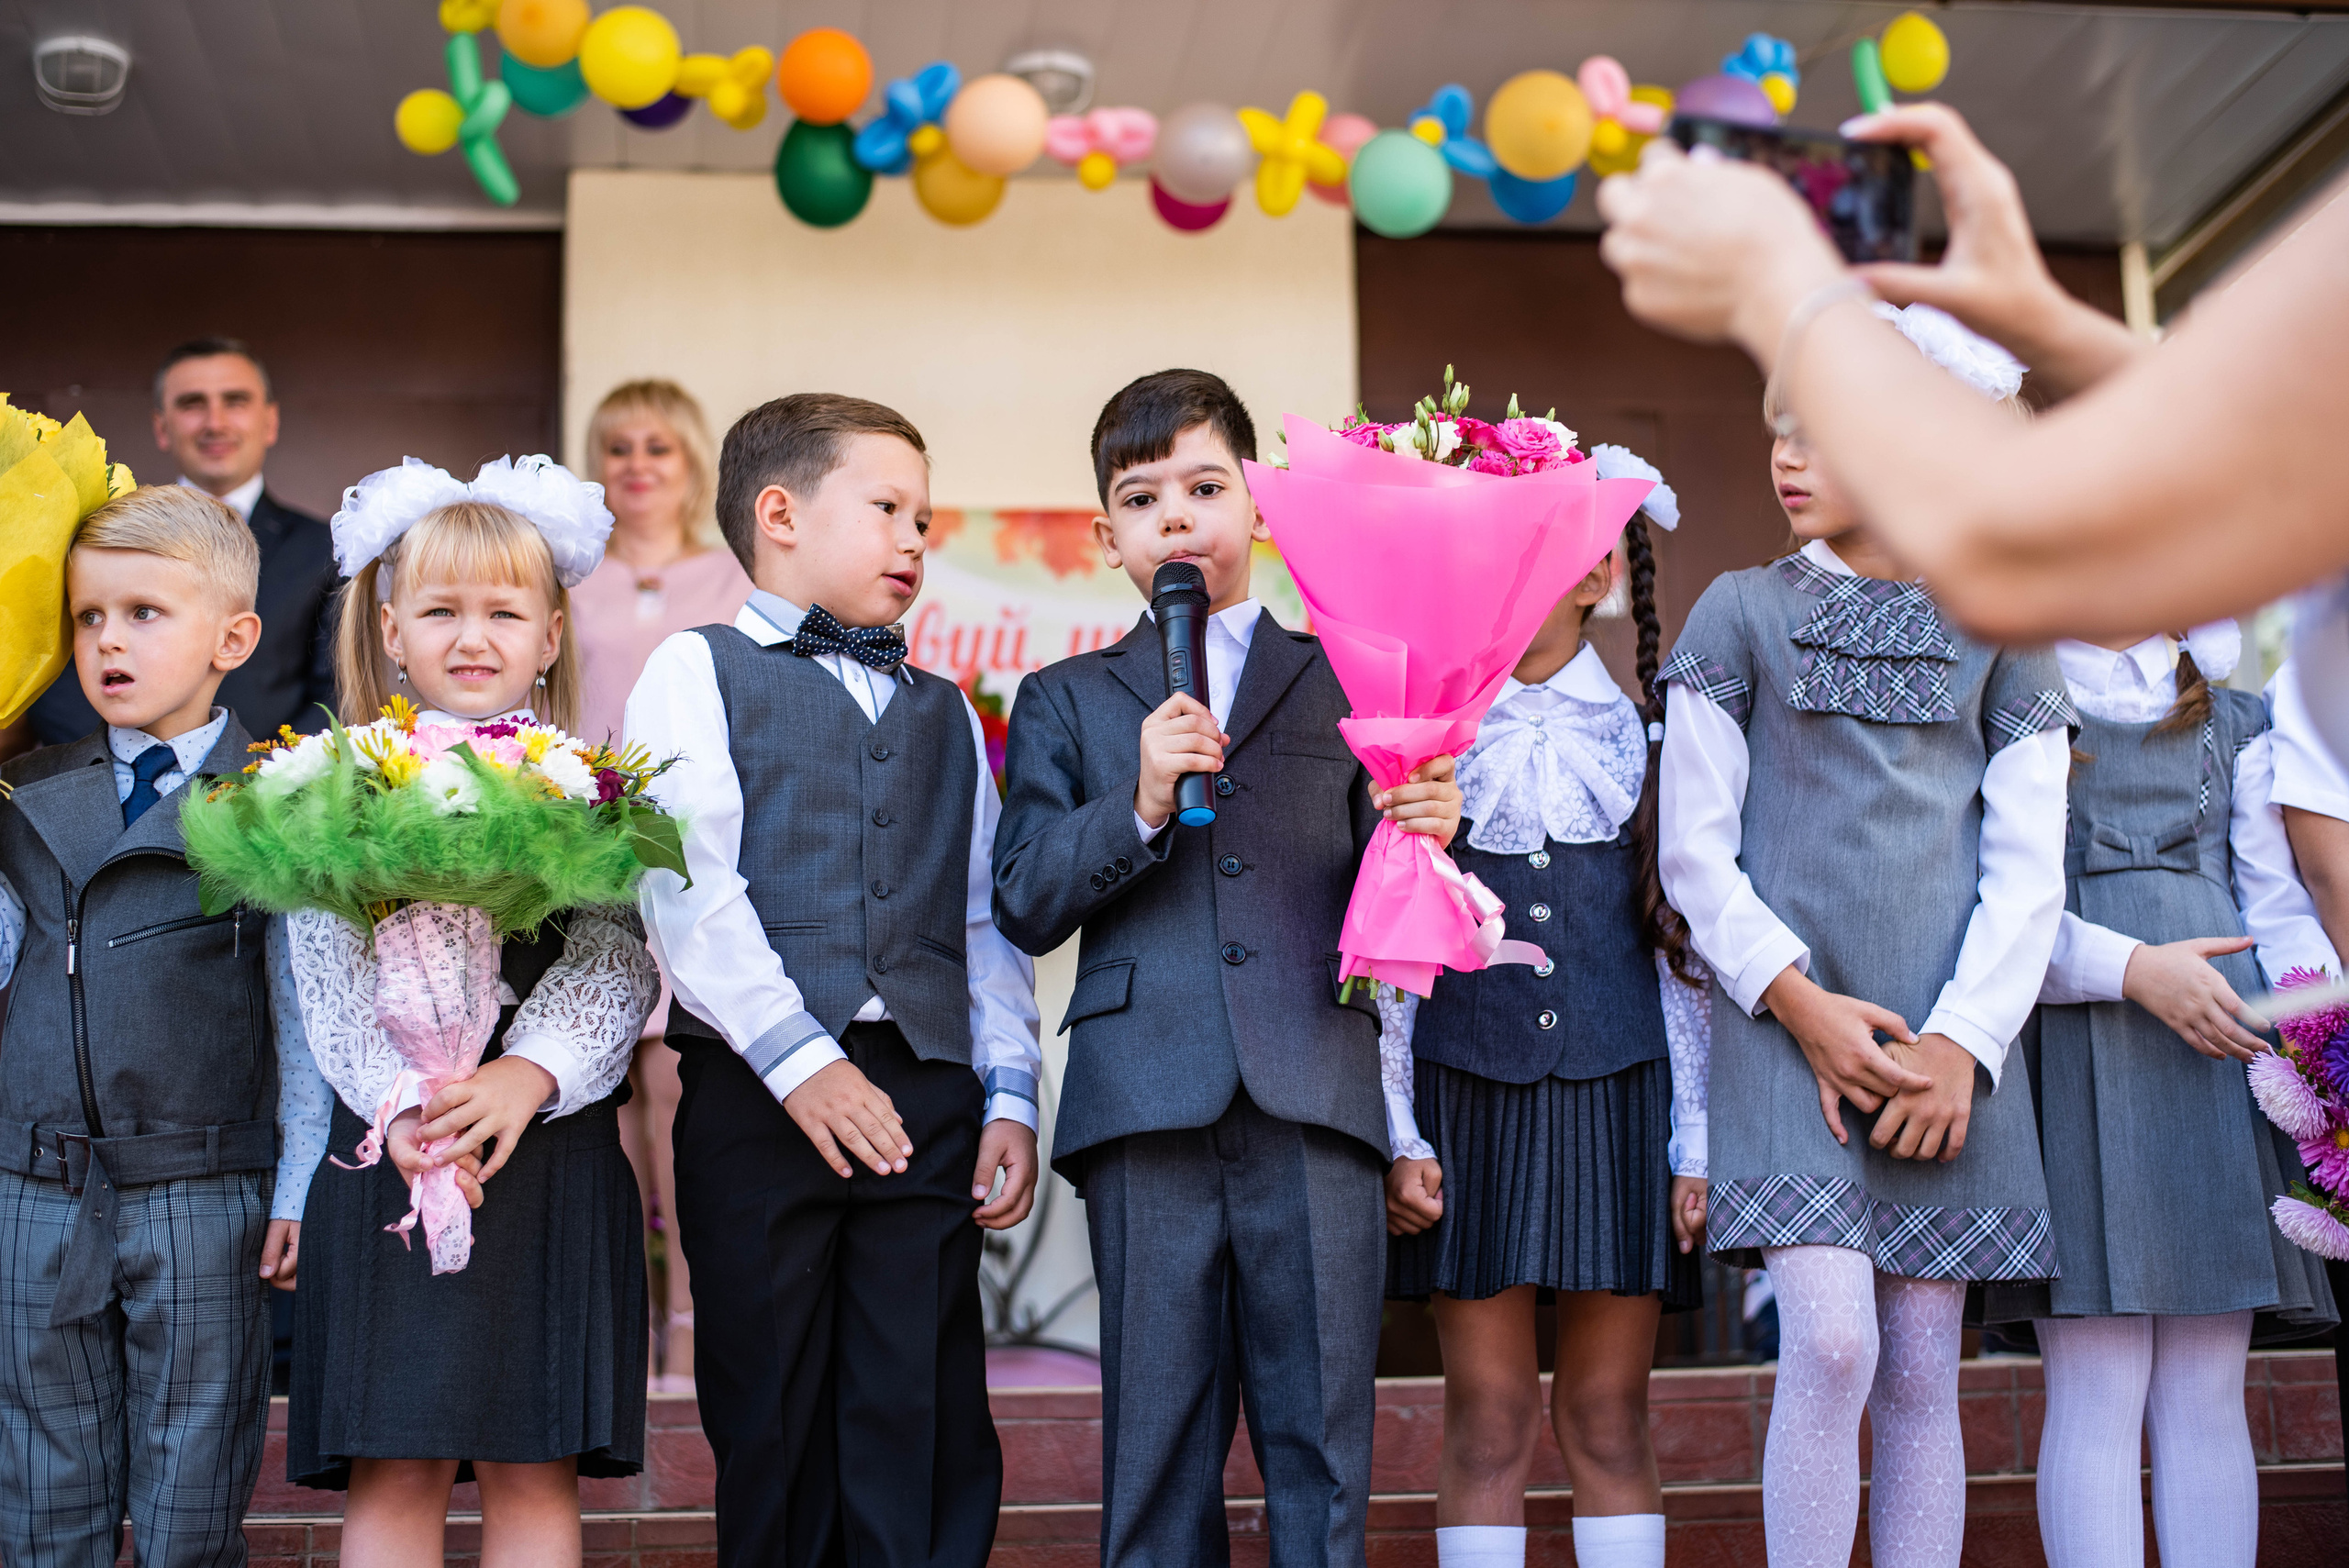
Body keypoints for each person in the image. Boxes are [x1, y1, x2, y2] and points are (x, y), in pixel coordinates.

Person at [991, 370, 1464, 1568]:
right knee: (1155, 1444)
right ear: (1107, 538)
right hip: (1144, 1097)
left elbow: (1390, 907)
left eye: (1206, 487)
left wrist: (1424, 830)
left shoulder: (1354, 674)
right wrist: (1142, 800)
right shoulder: (1065, 699)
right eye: (1143, 499)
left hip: (1314, 1080)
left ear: (1259, 504)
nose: (1179, 518)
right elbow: (1026, 897)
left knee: (1319, 1437)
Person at [1655, 312, 2074, 1566]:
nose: (1788, 456)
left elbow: (2029, 864)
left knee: (1921, 1372)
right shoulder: (1737, 613)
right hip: (1792, 1029)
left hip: (1950, 1054)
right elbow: (1693, 851)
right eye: (1779, 427)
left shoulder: (2006, 619)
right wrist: (1800, 1003)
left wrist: (1964, 1042)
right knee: (1833, 1342)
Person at [627, 394, 1043, 1568]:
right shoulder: (691, 669)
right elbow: (686, 885)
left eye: (925, 515)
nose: (918, 537)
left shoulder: (945, 709)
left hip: (923, 1091)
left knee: (919, 1411)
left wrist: (1008, 1089)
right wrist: (799, 1059)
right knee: (773, 1412)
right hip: (759, 1096)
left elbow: (978, 916)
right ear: (780, 514)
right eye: (888, 508)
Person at [1593, 105, 2349, 672]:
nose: (1789, 455)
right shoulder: (1746, 608)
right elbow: (2225, 434)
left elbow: (2007, 555)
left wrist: (1778, 280)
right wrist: (2037, 313)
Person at [281, 458, 659, 1565]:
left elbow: (615, 957)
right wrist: (405, 1107)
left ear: (550, 634)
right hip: (393, 1149)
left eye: (503, 611)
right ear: (391, 630)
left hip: (546, 1150)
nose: (472, 635)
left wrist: (525, 1072)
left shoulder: (595, 787)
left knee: (531, 1463)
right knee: (396, 1464)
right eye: (441, 610)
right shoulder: (330, 784)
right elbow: (326, 967)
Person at [1377, 450, 1709, 1568]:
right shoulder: (1418, 741)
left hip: (1622, 1096)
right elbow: (1392, 956)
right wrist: (1398, 1128)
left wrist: (1694, 1137)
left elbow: (1680, 956)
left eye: (1540, 550)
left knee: (1611, 1413)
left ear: (1597, 570)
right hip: (1464, 1095)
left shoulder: (1652, 733)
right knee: (1486, 1416)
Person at [0, 485, 325, 1566]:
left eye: (145, 613)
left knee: (193, 1484)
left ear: (234, 637)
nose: (109, 641)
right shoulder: (25, 797)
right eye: (90, 617)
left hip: (202, 1188)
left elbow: (303, 1008)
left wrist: (296, 1186)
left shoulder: (279, 801)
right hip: (33, 1187)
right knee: (42, 1487)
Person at [1990, 619, 2337, 1568]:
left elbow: (2274, 902)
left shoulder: (2239, 720)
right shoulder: (2011, 705)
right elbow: (1993, 910)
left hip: (2219, 1064)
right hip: (2072, 1046)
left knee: (2205, 1386)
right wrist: (2129, 967)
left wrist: (2322, 1054)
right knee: (2095, 1386)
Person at [573, 378, 751, 1395]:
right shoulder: (568, 580)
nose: (637, 464)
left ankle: (685, 1329)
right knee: (605, 1104)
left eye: (658, 448)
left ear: (690, 464)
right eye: (617, 446)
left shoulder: (729, 579)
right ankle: (624, 1331)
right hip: (588, 864)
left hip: (691, 864)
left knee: (680, 1100)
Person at [20, 338, 340, 751]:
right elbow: (54, 677)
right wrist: (118, 767)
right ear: (161, 426)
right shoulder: (101, 539)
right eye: (192, 403)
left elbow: (336, 691)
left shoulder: (325, 548)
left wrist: (255, 782)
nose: (215, 423)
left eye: (235, 401)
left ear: (270, 421)